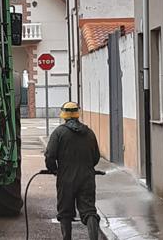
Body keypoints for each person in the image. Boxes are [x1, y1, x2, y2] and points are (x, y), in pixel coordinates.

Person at [45, 102, 101, 240]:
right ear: (77, 114)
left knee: (65, 212)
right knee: (89, 211)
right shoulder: (89, 133)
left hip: (66, 179)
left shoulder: (59, 133)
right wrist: (87, 167)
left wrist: (54, 170)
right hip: (87, 178)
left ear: (64, 115)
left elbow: (50, 156)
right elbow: (96, 157)